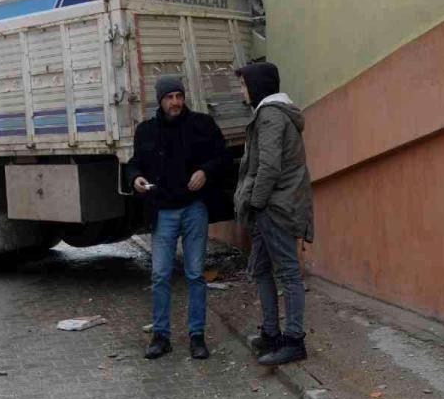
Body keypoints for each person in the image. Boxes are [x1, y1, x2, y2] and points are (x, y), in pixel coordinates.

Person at [126, 75, 231, 361]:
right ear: (160, 100)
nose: (175, 102)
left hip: (194, 208)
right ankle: (161, 336)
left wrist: (205, 171)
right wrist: (136, 178)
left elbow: (222, 157)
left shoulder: (202, 125)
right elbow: (135, 162)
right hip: (163, 211)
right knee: (160, 274)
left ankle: (197, 336)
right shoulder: (146, 131)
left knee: (195, 274)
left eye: (179, 96)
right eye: (170, 97)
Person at [233, 61, 314, 366]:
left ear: (257, 86)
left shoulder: (269, 116)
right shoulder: (272, 113)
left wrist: (255, 203)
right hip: (272, 205)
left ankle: (294, 341)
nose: (242, 92)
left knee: (288, 273)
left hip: (274, 207)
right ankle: (271, 333)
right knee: (260, 269)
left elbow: (268, 167)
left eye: (244, 85)